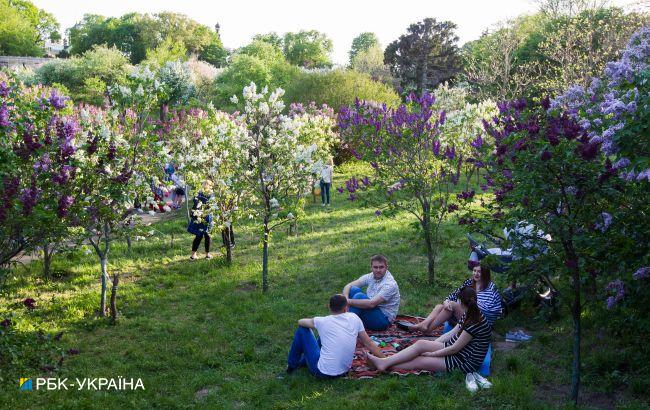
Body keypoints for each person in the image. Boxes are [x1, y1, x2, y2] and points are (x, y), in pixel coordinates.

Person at [366, 287, 492, 376]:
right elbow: (452, 333)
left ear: (460, 302)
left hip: (463, 361)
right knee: (421, 344)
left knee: (419, 361)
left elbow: (455, 349)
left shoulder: (474, 322)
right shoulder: (469, 313)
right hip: (457, 351)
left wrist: (433, 354)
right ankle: (384, 362)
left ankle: (384, 364)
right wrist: (432, 345)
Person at [286, 294, 385, 378]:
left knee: (302, 330)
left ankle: (292, 365)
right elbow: (369, 343)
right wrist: (385, 360)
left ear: (329, 307)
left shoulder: (322, 321)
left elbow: (301, 322)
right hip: (344, 370)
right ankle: (302, 362)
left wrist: (314, 323)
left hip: (321, 372)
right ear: (346, 307)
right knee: (324, 336)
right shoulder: (354, 318)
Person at [405, 264, 501, 334]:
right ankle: (425, 325)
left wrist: (461, 304)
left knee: (453, 305)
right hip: (467, 313)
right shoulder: (469, 282)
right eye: (474, 271)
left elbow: (488, 312)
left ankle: (427, 330)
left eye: (479, 271)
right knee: (441, 306)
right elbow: (454, 295)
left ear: (485, 273)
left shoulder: (490, 288)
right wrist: (446, 302)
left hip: (480, 321)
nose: (476, 273)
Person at [342, 254, 400, 331]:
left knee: (360, 296)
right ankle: (347, 321)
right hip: (372, 311)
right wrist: (345, 298)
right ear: (371, 268)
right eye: (375, 267)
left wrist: (348, 301)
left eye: (381, 267)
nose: (378, 270)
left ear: (386, 267)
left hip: (383, 320)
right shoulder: (370, 276)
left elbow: (371, 304)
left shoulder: (390, 284)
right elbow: (348, 286)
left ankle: (344, 325)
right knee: (353, 289)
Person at [189, 180, 214, 260]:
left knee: (198, 235)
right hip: (207, 216)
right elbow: (212, 205)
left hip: (198, 215)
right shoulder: (210, 194)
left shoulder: (198, 193)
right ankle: (207, 254)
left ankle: (193, 255)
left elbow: (195, 203)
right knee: (207, 235)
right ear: (210, 186)